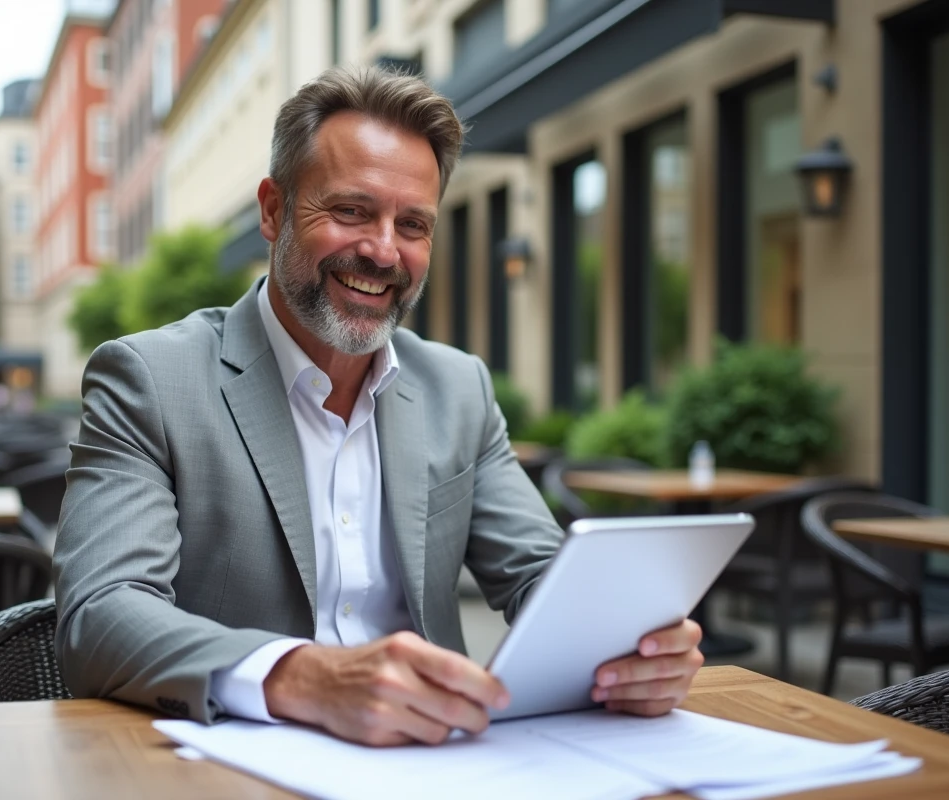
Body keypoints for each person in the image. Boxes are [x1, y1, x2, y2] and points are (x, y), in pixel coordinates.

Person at [54, 66, 703, 747]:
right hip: (226, 766)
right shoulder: (152, 378)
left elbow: (544, 578)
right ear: (273, 211)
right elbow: (100, 613)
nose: (383, 250)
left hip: (434, 764)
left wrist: (635, 647)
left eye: (413, 224)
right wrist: (305, 677)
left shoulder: (460, 389)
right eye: (351, 211)